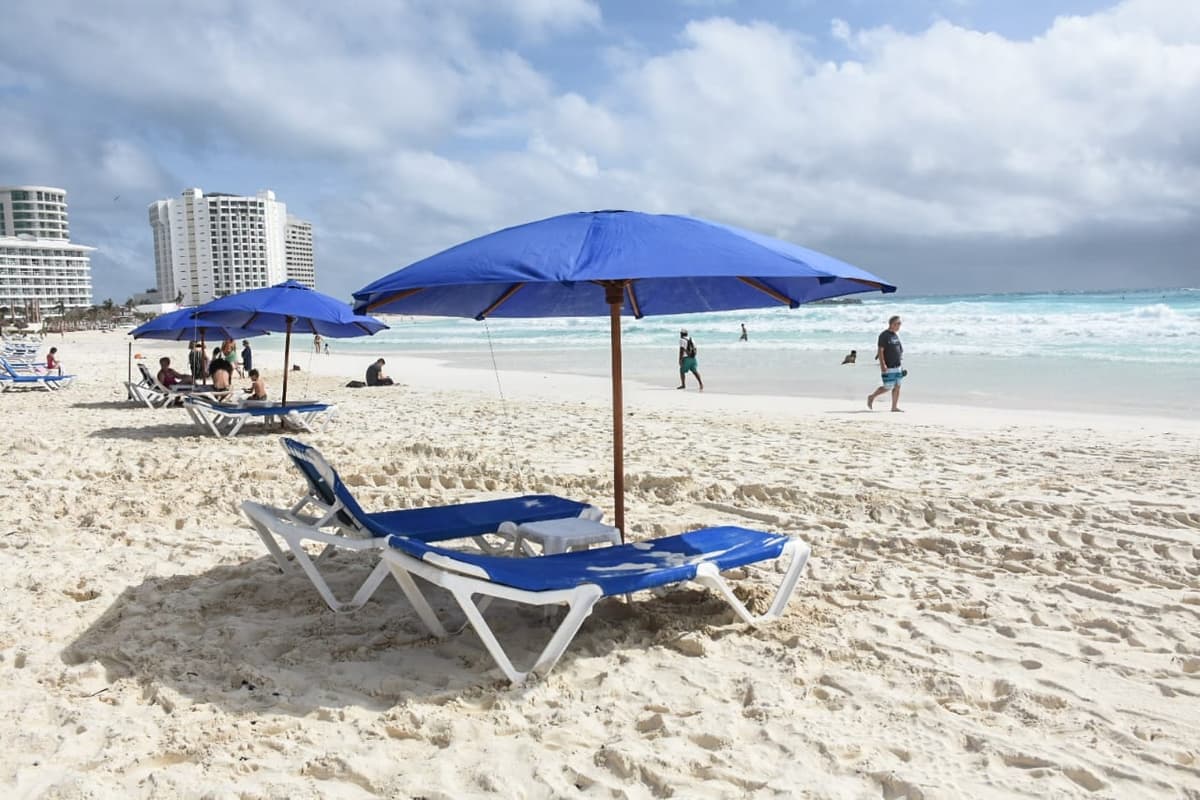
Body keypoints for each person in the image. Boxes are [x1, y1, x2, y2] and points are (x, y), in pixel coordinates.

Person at [867, 316, 904, 412]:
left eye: (900, 323)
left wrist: (900, 361)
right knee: (888, 387)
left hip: (898, 365)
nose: (900, 325)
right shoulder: (884, 335)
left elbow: (898, 349)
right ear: (892, 324)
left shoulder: (895, 335)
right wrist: (883, 364)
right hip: (889, 366)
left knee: (897, 386)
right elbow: (880, 350)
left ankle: (894, 407)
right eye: (898, 323)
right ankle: (872, 396)